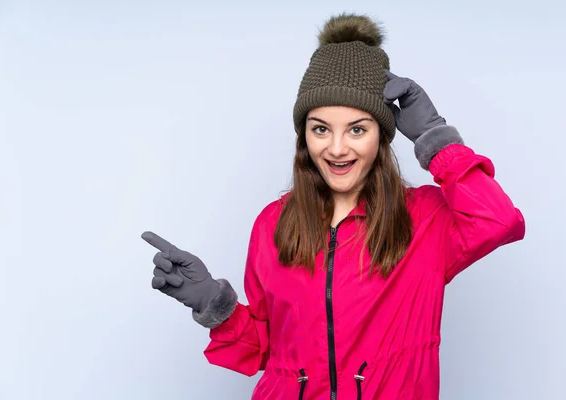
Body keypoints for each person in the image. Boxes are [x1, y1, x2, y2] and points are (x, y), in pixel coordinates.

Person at [141, 13, 525, 400]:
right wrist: (214, 304)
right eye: (320, 128)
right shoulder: (273, 223)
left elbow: (498, 221)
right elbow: (262, 349)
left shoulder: (424, 218)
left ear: (382, 135)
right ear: (304, 135)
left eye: (357, 129)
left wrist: (433, 137)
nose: (337, 148)